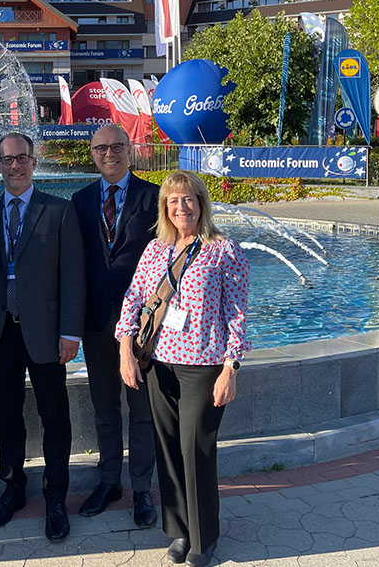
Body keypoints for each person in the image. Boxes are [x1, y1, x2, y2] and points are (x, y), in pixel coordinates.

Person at [115, 170, 249, 567]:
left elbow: (237, 313)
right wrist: (125, 348)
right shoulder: (156, 249)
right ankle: (179, 530)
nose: (181, 207)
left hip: (204, 365)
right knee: (169, 449)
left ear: (201, 204)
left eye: (188, 199)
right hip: (158, 363)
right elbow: (134, 298)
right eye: (173, 201)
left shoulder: (223, 250)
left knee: (196, 449)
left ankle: (204, 537)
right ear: (165, 208)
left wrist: (231, 367)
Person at [0, 132, 85, 542]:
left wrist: (70, 332)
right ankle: (13, 487)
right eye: (8, 160)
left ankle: (56, 496)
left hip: (46, 334)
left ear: (34, 162)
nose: (16, 166)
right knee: (7, 416)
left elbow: (74, 276)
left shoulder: (59, 210)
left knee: (55, 417)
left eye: (22, 158)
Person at [70, 124, 159, 526]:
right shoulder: (80, 200)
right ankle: (110, 481)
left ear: (130, 150)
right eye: (101, 148)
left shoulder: (154, 197)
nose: (110, 154)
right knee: (104, 406)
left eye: (117, 147)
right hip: (95, 322)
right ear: (92, 153)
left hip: (142, 328)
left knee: (142, 410)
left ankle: (142, 489)